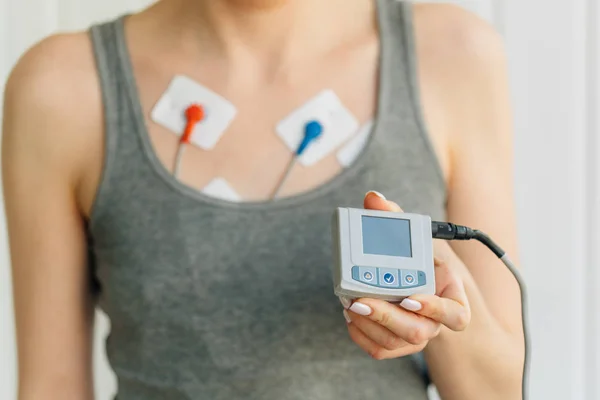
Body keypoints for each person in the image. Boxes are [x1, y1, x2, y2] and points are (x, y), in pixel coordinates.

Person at [2, 0, 525, 399]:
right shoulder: (62, 87)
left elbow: (500, 388)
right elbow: (51, 385)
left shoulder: (453, 53)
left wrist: (441, 310)